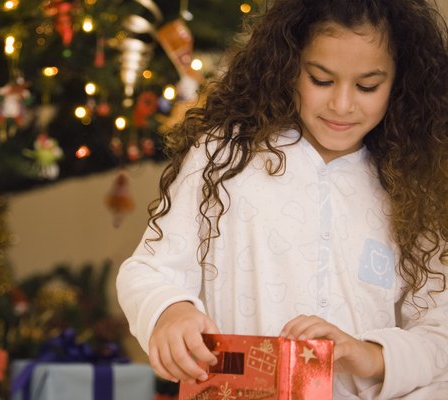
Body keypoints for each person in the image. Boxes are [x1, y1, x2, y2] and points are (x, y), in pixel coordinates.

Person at [116, 0, 448, 398]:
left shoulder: (415, 182)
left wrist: (370, 355)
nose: (342, 104)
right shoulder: (226, 156)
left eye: (367, 86)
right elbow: (150, 270)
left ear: (400, 81)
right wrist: (170, 312)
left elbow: (439, 331)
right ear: (290, 65)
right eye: (321, 80)